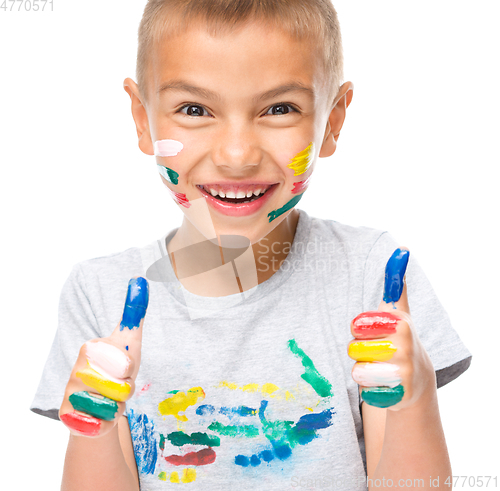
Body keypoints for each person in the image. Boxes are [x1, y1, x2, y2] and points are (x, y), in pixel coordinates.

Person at [30, 1, 471, 489]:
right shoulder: (101, 292)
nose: (237, 155)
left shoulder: (372, 275)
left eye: (280, 109)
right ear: (141, 118)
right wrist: (95, 429)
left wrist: (414, 398)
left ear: (333, 121)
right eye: (194, 109)